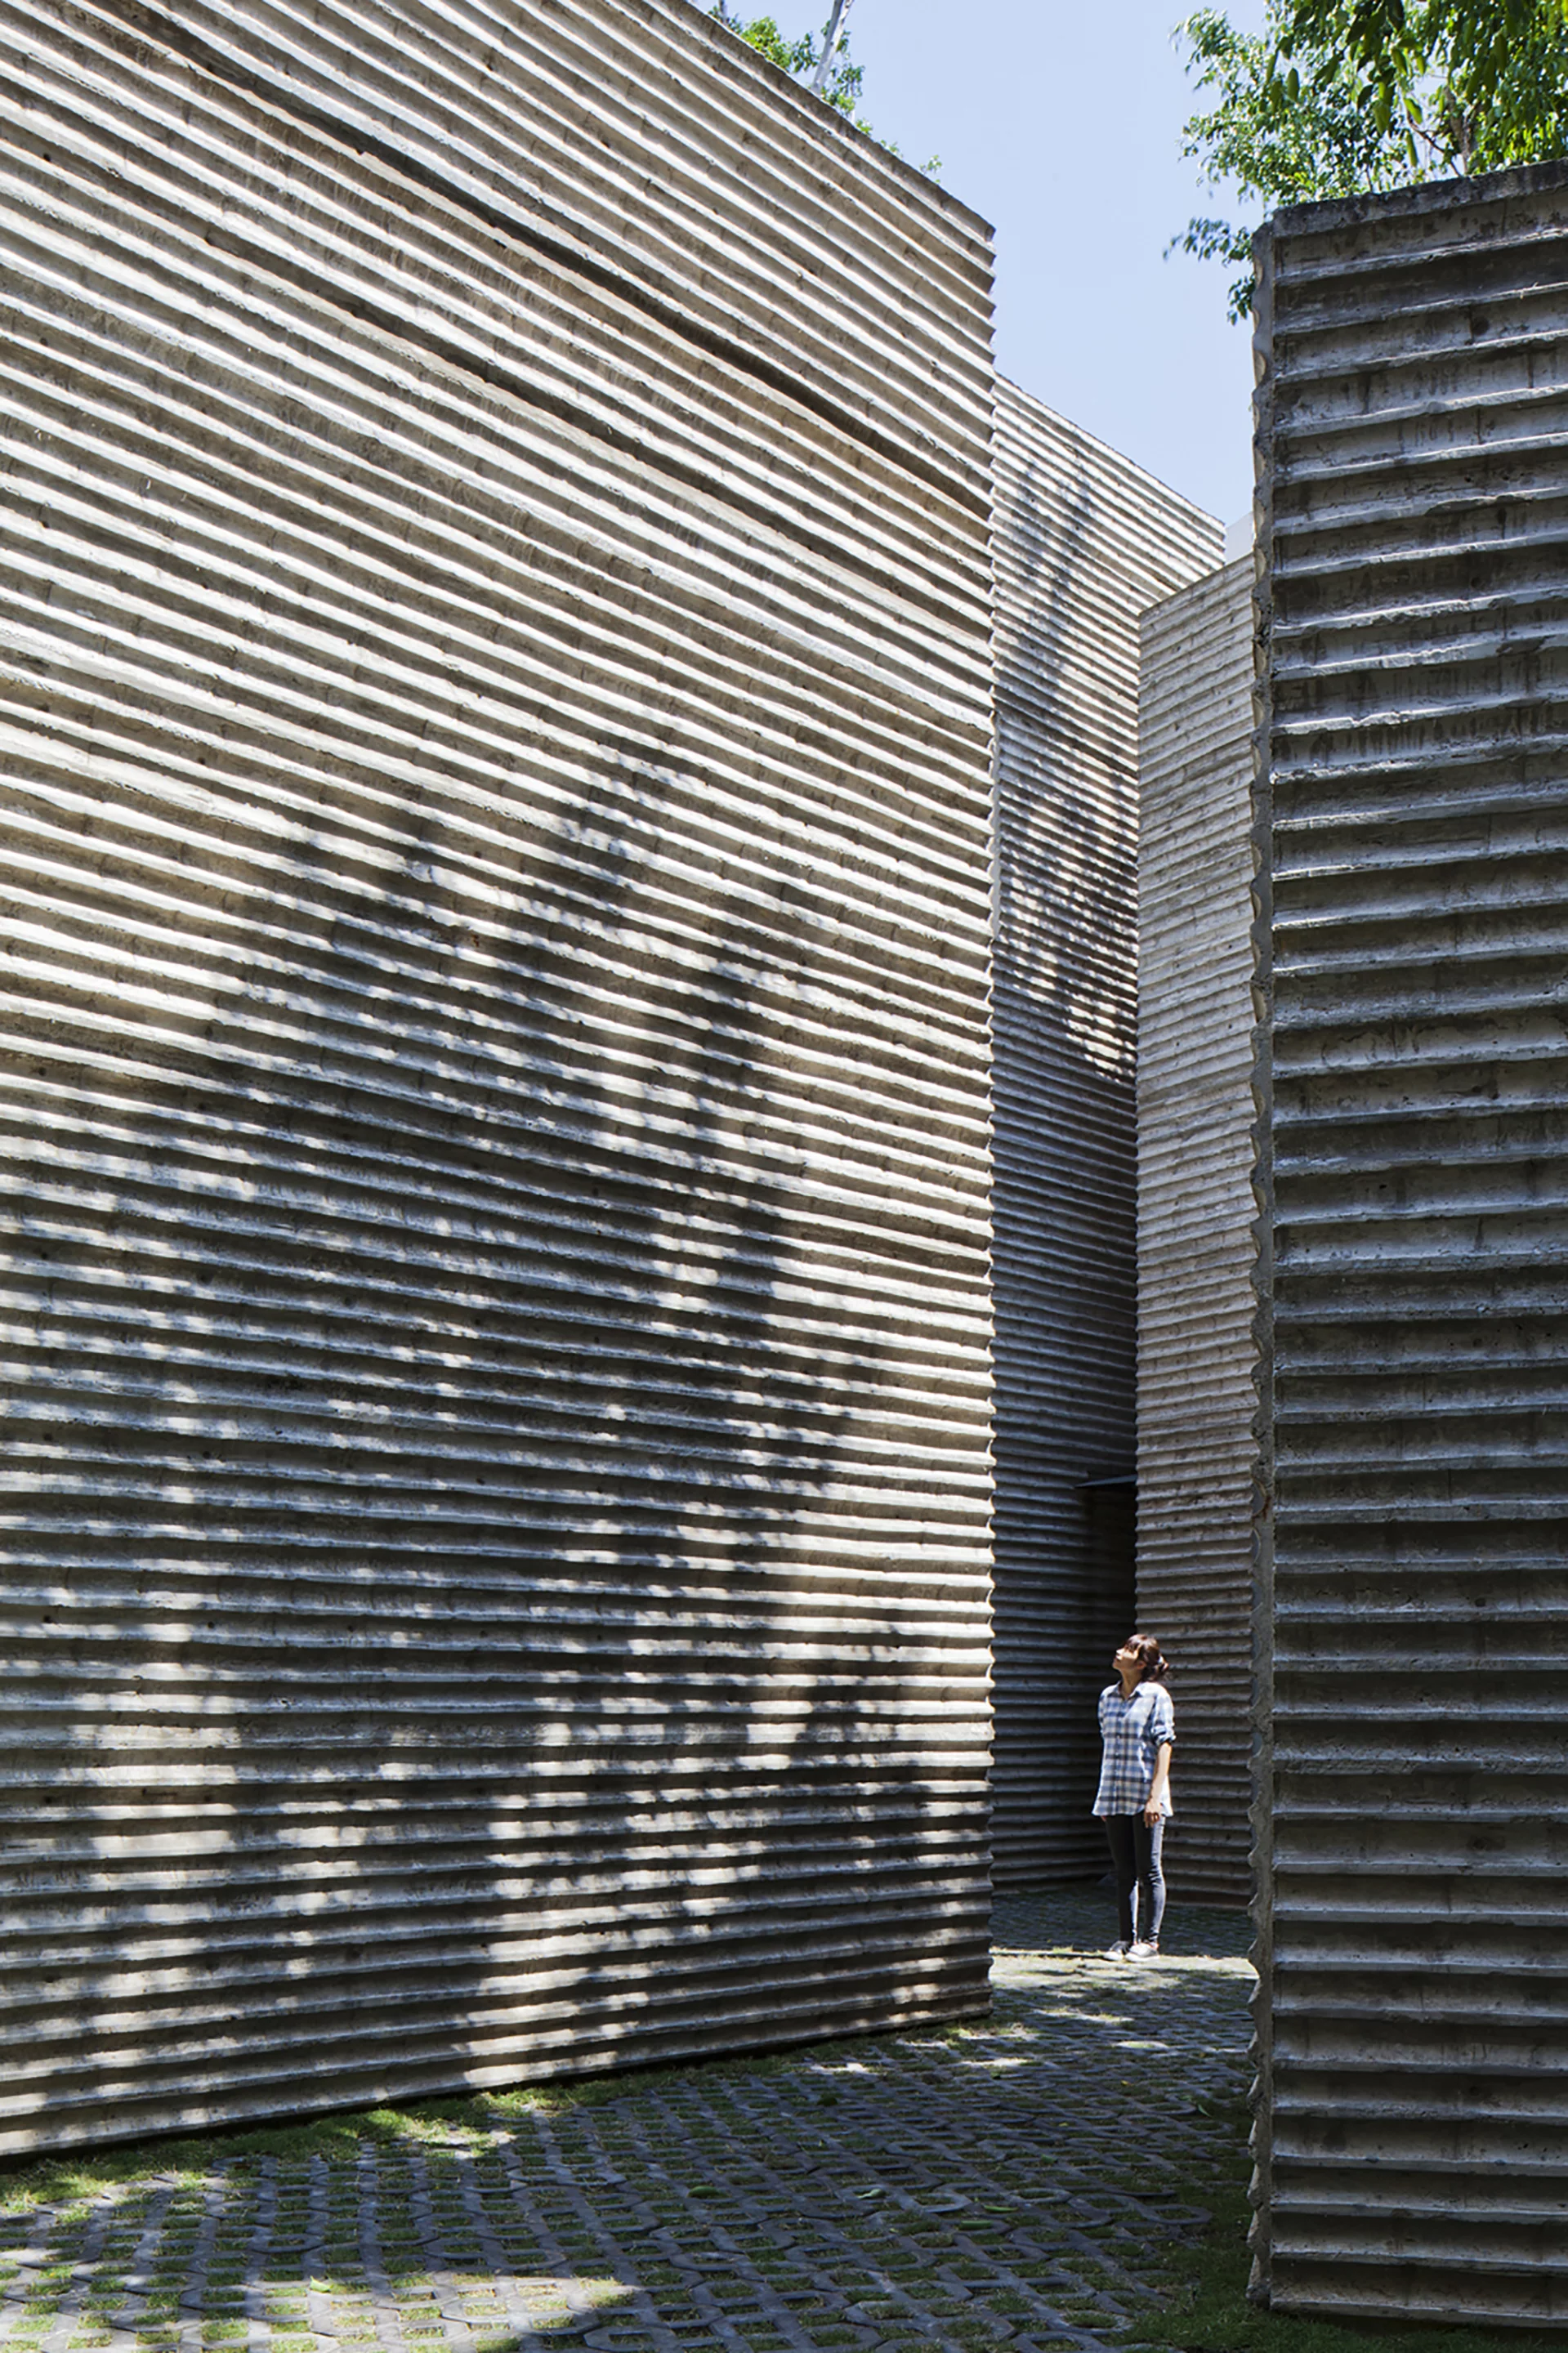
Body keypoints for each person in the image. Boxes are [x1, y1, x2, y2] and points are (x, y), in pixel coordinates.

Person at [1092, 1632, 1174, 1962]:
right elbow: (1109, 1747)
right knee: (1123, 1869)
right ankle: (1124, 1940)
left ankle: (1150, 1942)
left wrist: (1155, 1797)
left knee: (1149, 1868)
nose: (1118, 1652)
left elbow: (1164, 1745)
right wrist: (1103, 1797)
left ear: (1141, 1663)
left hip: (1145, 1795)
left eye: (1127, 1650)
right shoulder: (1107, 1697)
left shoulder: (1156, 1696)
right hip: (1114, 1794)